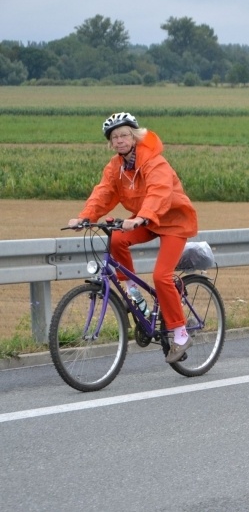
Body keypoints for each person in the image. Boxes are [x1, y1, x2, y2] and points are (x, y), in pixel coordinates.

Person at [67, 112, 199, 363]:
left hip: (173, 222)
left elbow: (159, 192)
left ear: (135, 136)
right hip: (147, 219)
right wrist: (84, 216)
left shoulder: (154, 162)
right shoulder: (115, 167)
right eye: (114, 137)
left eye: (124, 135)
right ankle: (132, 292)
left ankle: (181, 334)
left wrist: (141, 217)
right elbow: (103, 193)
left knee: (161, 275)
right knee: (116, 239)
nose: (119, 140)